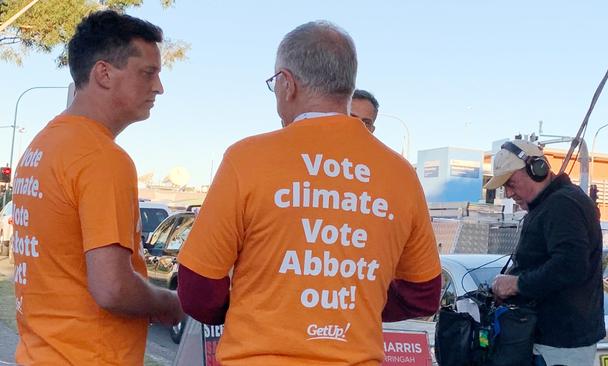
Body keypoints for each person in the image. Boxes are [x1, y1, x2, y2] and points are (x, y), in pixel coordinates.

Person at [177, 21, 441, 365]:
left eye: (274, 84)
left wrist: (254, 306)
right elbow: (423, 293)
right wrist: (354, 306)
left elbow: (198, 286)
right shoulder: (400, 174)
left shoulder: (247, 159)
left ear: (287, 84)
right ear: (347, 86)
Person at [12, 10, 184, 365]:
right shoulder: (102, 158)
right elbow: (113, 288)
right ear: (104, 73)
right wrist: (173, 304)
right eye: (148, 73)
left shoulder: (42, 146)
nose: (159, 87)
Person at [487, 139, 605, 366]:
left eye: (511, 183)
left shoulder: (563, 204)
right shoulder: (551, 203)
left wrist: (516, 284)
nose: (509, 193)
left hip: (560, 346)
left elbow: (570, 265)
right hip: (551, 342)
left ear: (537, 169)